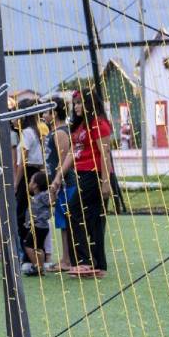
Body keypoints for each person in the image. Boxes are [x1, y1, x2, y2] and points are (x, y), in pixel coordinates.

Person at [61, 89, 114, 278]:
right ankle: (98, 266)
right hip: (83, 175)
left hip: (97, 174)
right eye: (74, 103)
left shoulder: (98, 123)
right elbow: (71, 153)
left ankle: (83, 262)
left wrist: (106, 182)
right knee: (94, 220)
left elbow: (105, 153)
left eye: (79, 103)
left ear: (89, 104)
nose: (75, 107)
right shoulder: (80, 125)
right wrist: (58, 177)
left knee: (74, 211)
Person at [38, 96, 74, 271]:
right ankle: (66, 258)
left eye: (47, 111)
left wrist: (56, 183)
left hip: (65, 184)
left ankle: (68, 259)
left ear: (55, 113)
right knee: (62, 222)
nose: (44, 115)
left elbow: (64, 159)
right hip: (58, 184)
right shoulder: (53, 132)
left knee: (66, 222)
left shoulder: (60, 132)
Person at [14, 108, 44, 264]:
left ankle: (27, 255)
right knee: (32, 215)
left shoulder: (26, 132)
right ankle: (35, 254)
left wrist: (16, 183)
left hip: (27, 174)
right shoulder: (34, 131)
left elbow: (22, 162)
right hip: (34, 172)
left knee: (22, 216)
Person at [22, 173, 53, 276]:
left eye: (31, 181)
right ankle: (40, 268)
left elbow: (50, 203)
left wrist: (53, 193)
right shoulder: (36, 196)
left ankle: (37, 266)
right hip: (40, 226)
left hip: (39, 226)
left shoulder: (43, 195)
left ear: (35, 185)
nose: (29, 183)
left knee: (28, 245)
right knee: (39, 247)